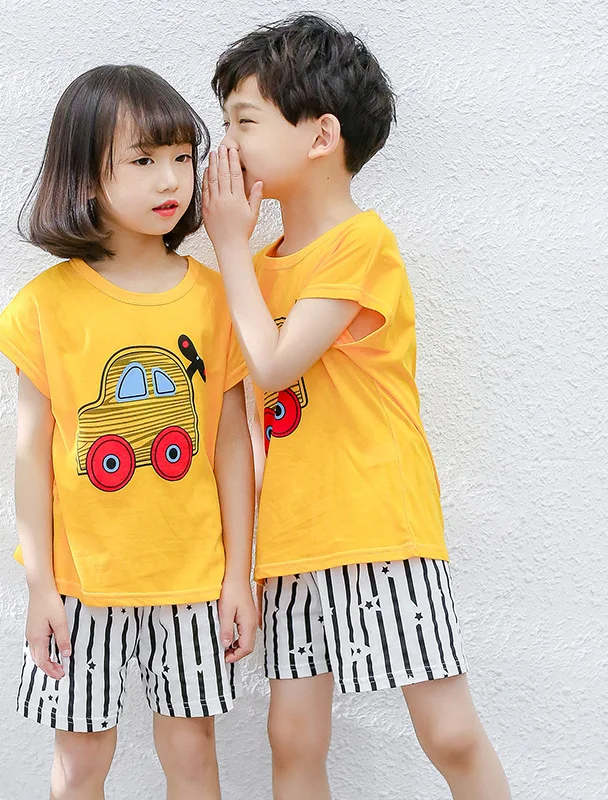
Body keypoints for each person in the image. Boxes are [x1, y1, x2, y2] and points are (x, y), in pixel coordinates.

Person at [202, 15, 510, 800]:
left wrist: (227, 246)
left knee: (447, 730)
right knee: (292, 738)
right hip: (291, 538)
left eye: (243, 123)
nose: (225, 148)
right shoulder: (255, 271)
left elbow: (274, 366)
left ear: (321, 135)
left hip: (380, 522)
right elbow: (243, 418)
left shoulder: (361, 244)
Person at [0, 64, 256, 800]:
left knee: (193, 753)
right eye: (142, 160)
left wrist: (238, 574)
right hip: (80, 583)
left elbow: (232, 445)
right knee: (80, 763)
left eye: (181, 157)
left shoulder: (215, 300)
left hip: (193, 576)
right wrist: (40, 586)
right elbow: (31, 457)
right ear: (84, 175)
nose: (170, 179)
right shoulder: (47, 305)